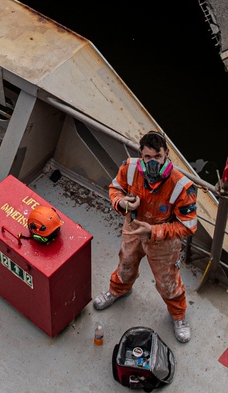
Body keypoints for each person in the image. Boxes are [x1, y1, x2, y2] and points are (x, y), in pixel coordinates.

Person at [92, 131, 198, 343]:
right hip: (133, 228)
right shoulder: (129, 168)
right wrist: (122, 203)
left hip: (163, 241)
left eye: (157, 157)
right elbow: (115, 188)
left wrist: (154, 231)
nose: (152, 162)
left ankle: (178, 315)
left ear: (166, 155)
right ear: (141, 154)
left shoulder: (181, 186)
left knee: (168, 281)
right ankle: (117, 290)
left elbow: (187, 226)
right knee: (126, 263)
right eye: (147, 157)